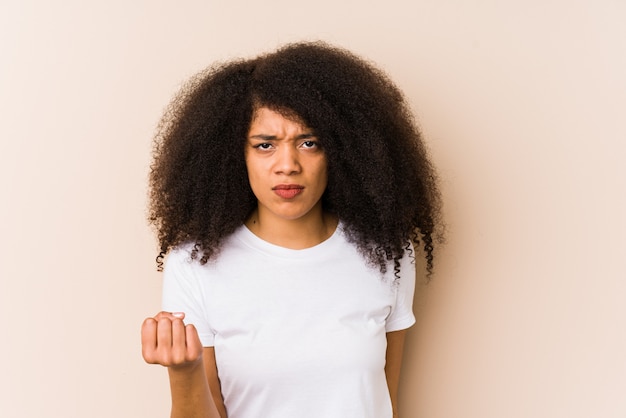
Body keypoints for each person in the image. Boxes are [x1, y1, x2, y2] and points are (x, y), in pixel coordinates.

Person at [141, 41, 443, 418]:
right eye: (265, 145)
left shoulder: (388, 252)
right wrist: (184, 373)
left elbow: (386, 400)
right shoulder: (194, 264)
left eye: (309, 142)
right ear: (235, 155)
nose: (288, 165)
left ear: (343, 151)